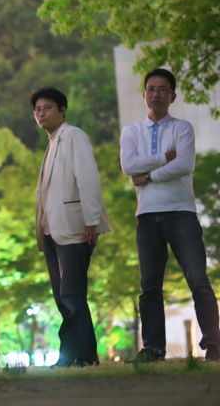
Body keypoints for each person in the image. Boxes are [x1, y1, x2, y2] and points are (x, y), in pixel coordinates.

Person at [120, 68, 220, 362]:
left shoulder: (182, 128)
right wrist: (165, 157)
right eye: (151, 89)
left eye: (163, 89)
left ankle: (214, 344)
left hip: (181, 212)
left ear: (173, 96)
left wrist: (148, 176)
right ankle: (153, 348)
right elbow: (129, 166)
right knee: (149, 285)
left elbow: (184, 164)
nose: (156, 94)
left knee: (198, 279)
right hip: (147, 215)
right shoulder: (131, 132)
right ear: (144, 95)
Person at [31, 87, 110, 367]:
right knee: (64, 297)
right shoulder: (53, 142)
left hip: (75, 227)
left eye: (47, 107)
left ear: (63, 110)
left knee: (72, 295)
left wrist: (91, 220)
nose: (41, 113)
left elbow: (88, 178)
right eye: (37, 109)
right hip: (52, 230)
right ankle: (84, 355)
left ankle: (71, 356)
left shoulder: (73, 135)